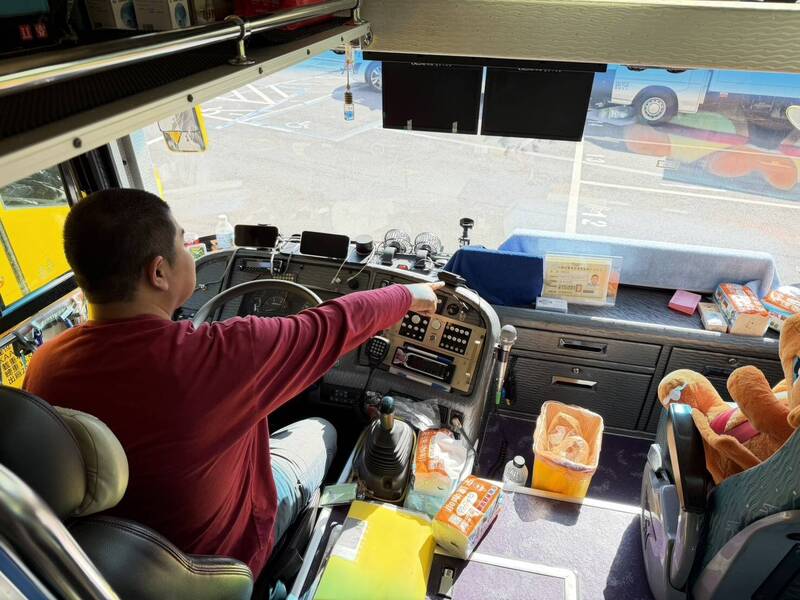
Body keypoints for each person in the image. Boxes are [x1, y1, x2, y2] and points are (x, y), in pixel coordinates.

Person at [23, 188, 442, 578]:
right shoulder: (224, 354)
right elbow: (333, 325)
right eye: (182, 243)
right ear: (159, 272)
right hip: (221, 564)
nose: (190, 253)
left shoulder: (45, 364)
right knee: (322, 430)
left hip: (116, 565)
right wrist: (409, 295)